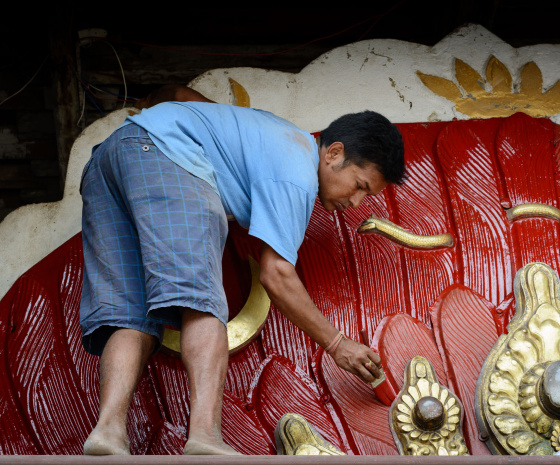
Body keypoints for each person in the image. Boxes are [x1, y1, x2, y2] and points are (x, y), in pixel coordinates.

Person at [79, 84, 405, 456]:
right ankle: (204, 437)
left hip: (110, 158)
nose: (356, 202)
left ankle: (107, 434)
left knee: (131, 314)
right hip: (163, 155)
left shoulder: (269, 135)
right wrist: (337, 344)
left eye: (368, 196)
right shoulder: (297, 167)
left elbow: (181, 98)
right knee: (200, 302)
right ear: (333, 153)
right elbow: (276, 275)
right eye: (360, 185)